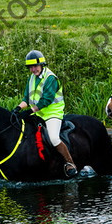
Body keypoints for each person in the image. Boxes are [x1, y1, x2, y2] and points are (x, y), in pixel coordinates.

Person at [13, 50, 78, 178]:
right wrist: (17, 109)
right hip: (38, 114)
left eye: (35, 66)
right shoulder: (32, 78)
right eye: (30, 67)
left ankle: (70, 163)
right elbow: (26, 98)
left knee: (53, 138)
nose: (33, 69)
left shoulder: (50, 78)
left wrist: (30, 111)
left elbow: (46, 100)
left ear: (42, 65)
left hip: (52, 114)